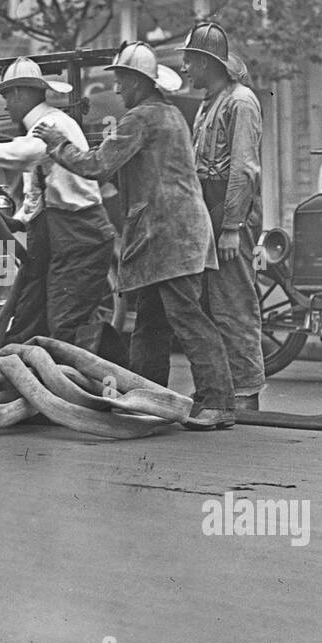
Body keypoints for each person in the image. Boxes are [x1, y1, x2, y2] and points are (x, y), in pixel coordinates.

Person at [35, 41, 236, 430]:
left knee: (186, 319)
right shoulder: (169, 115)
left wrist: (56, 144)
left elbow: (98, 165)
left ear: (140, 82)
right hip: (173, 236)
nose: (117, 89)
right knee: (151, 322)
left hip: (168, 237)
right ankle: (149, 399)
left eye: (123, 80)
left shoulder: (141, 119)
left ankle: (218, 402)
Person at [0, 57, 116, 347]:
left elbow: (24, 155)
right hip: (62, 234)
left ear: (19, 93)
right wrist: (18, 220)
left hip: (81, 234)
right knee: (31, 314)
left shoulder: (50, 125)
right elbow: (36, 190)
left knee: (64, 321)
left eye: (7, 97)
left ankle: (76, 386)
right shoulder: (42, 126)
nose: (6, 106)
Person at [179, 21, 265, 412]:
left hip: (232, 214)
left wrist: (232, 227)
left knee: (234, 307)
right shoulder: (207, 104)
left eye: (189, 61)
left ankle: (246, 398)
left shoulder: (240, 101)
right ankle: (224, 394)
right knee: (212, 307)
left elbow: (243, 170)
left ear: (206, 62)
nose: (184, 69)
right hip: (210, 213)